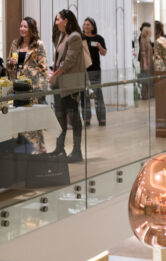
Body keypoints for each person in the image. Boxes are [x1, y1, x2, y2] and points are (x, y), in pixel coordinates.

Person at [7, 17, 49, 152]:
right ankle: (25, 149)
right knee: (21, 119)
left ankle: (40, 149)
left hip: (34, 86)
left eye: (25, 27)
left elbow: (43, 67)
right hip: (19, 86)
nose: (22, 29)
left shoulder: (38, 45)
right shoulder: (15, 44)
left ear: (31, 29)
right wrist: (11, 63)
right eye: (21, 26)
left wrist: (41, 88)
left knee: (34, 120)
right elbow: (10, 66)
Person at [50, 10, 86, 162]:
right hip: (60, 83)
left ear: (65, 20)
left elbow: (69, 61)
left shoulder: (75, 36)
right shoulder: (62, 36)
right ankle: (60, 149)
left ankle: (77, 151)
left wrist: (55, 74)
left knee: (73, 117)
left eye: (58, 19)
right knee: (60, 117)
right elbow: (60, 59)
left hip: (71, 84)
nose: (56, 22)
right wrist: (54, 71)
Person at [81, 17, 107, 126]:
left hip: (95, 70)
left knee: (97, 94)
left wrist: (100, 46)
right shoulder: (80, 38)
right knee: (84, 95)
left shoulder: (99, 38)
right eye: (85, 24)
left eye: (88, 24)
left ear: (93, 26)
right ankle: (86, 119)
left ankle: (102, 118)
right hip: (83, 70)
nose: (86, 26)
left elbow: (104, 53)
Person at [137, 22, 153, 99]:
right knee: (145, 79)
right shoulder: (143, 41)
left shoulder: (148, 40)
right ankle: (144, 95)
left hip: (149, 62)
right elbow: (143, 53)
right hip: (145, 63)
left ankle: (147, 94)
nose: (151, 33)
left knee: (148, 78)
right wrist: (145, 64)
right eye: (150, 32)